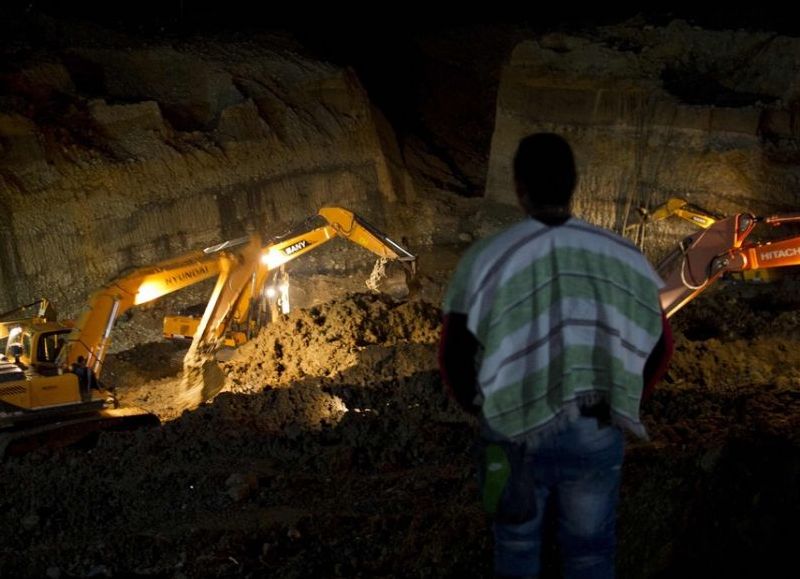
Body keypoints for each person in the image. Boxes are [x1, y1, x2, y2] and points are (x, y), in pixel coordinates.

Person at [439, 133, 673, 579]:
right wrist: (623, 399)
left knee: (516, 547)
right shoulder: (623, 255)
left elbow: (453, 353)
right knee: (589, 553)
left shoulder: (485, 257)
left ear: (518, 186)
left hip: (511, 429)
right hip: (594, 425)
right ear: (573, 184)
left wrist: (479, 406)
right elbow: (662, 343)